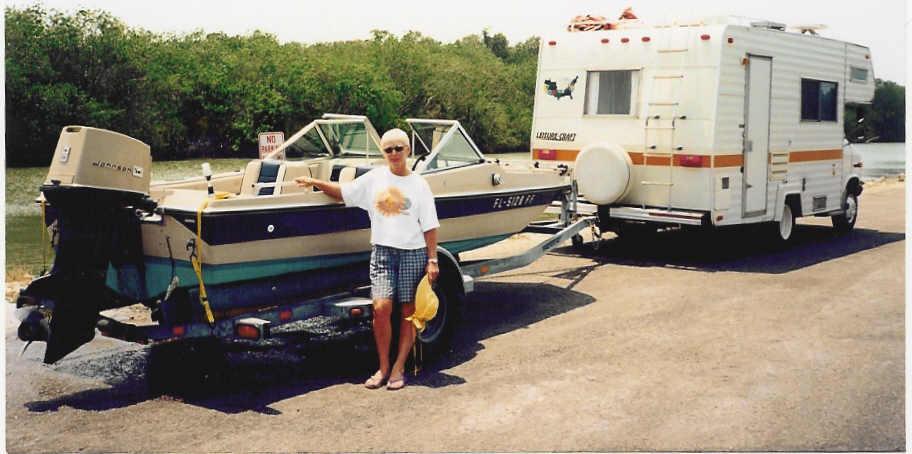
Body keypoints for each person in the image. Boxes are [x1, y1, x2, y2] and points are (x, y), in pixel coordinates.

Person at [295, 128, 439, 391]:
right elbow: (344, 192)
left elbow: (430, 225)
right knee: (381, 308)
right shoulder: (374, 178)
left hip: (413, 252)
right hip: (382, 252)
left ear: (408, 150)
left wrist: (432, 260)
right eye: (388, 149)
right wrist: (315, 182)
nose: (394, 153)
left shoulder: (419, 184)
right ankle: (383, 367)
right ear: (383, 153)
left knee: (408, 312)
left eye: (398, 148)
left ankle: (398, 367)